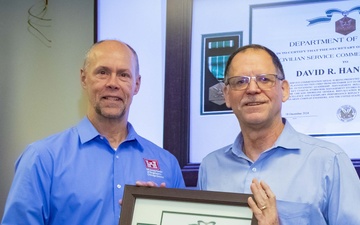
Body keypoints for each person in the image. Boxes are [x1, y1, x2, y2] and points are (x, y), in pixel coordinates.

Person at [1, 40, 185, 225]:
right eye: (102, 72)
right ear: (84, 78)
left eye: (123, 75)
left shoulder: (167, 165)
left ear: (136, 84)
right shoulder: (42, 159)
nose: (113, 83)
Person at [197, 44, 360, 224]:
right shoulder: (210, 167)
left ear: (284, 90)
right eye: (240, 81)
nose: (252, 89)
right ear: (227, 95)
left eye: (265, 79)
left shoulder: (329, 161)